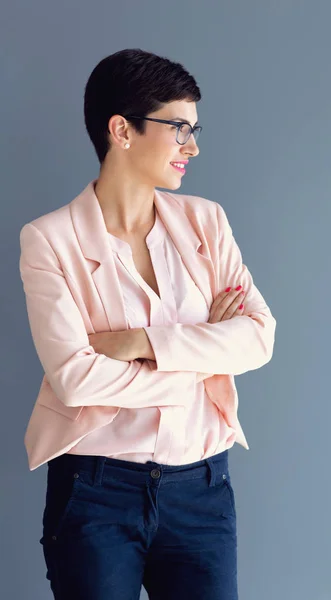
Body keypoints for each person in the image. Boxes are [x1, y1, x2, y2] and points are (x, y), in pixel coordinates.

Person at [18, 48, 277, 600]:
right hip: (96, 491)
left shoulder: (205, 222)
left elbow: (258, 338)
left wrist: (141, 343)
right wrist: (203, 353)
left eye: (194, 128)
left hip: (202, 489)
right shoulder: (48, 240)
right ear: (122, 130)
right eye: (179, 127)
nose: (193, 146)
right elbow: (75, 379)